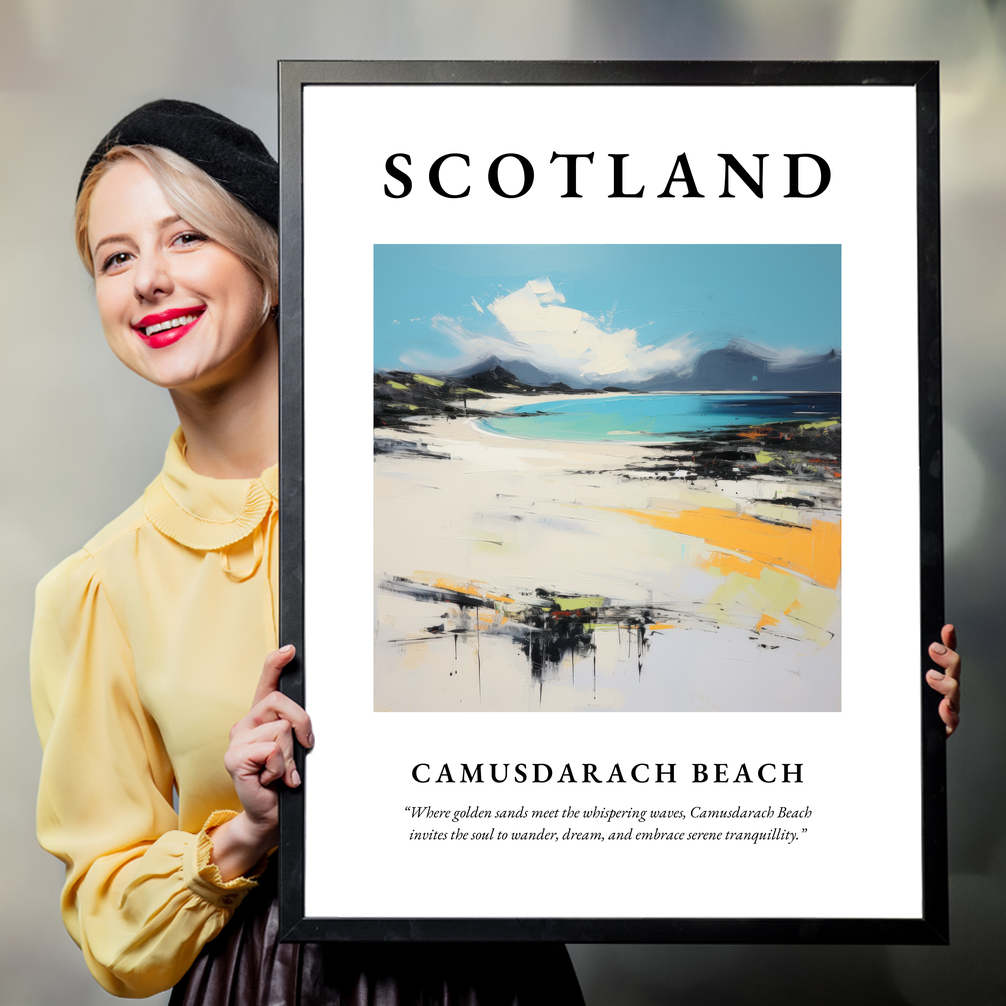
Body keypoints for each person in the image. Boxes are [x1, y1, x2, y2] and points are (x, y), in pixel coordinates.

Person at [30, 100, 585, 1004]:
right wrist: (245, 832)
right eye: (116, 257)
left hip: (492, 973)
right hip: (262, 982)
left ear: (273, 264)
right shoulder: (97, 587)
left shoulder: (463, 490)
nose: (148, 281)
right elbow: (110, 924)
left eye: (186, 239)